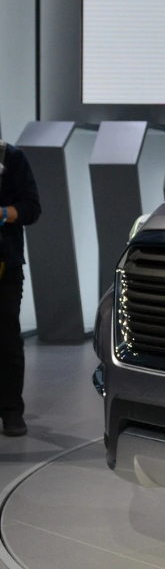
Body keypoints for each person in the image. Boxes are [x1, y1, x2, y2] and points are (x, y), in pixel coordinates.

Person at [0, 139, 41, 437]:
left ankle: (11, 411)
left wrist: (3, 214)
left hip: (5, 266)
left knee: (7, 339)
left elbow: (32, 208)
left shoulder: (11, 157)